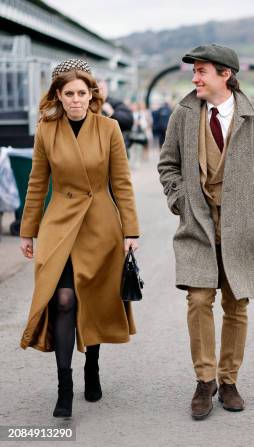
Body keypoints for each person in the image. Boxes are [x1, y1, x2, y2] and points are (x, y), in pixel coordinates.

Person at [157, 44, 254, 420]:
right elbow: (168, 165)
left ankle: (228, 380)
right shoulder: (182, 115)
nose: (195, 78)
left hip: (240, 227)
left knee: (236, 305)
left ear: (225, 74)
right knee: (198, 301)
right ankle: (204, 379)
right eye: (194, 72)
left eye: (202, 71)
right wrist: (179, 199)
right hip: (197, 225)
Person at [18, 59, 140, 418]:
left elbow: (122, 183)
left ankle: (93, 366)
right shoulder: (46, 130)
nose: (75, 100)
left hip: (101, 226)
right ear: (58, 95)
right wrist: (28, 230)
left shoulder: (109, 128)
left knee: (95, 298)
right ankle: (64, 386)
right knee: (65, 299)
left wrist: (131, 230)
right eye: (68, 93)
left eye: (81, 93)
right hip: (59, 224)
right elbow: (37, 183)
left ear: (91, 95)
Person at [97, 79, 134, 148]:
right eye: (96, 89)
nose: (99, 91)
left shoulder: (116, 103)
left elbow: (129, 121)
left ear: (107, 89)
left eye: (102, 88)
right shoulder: (89, 104)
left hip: (116, 146)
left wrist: (113, 113)